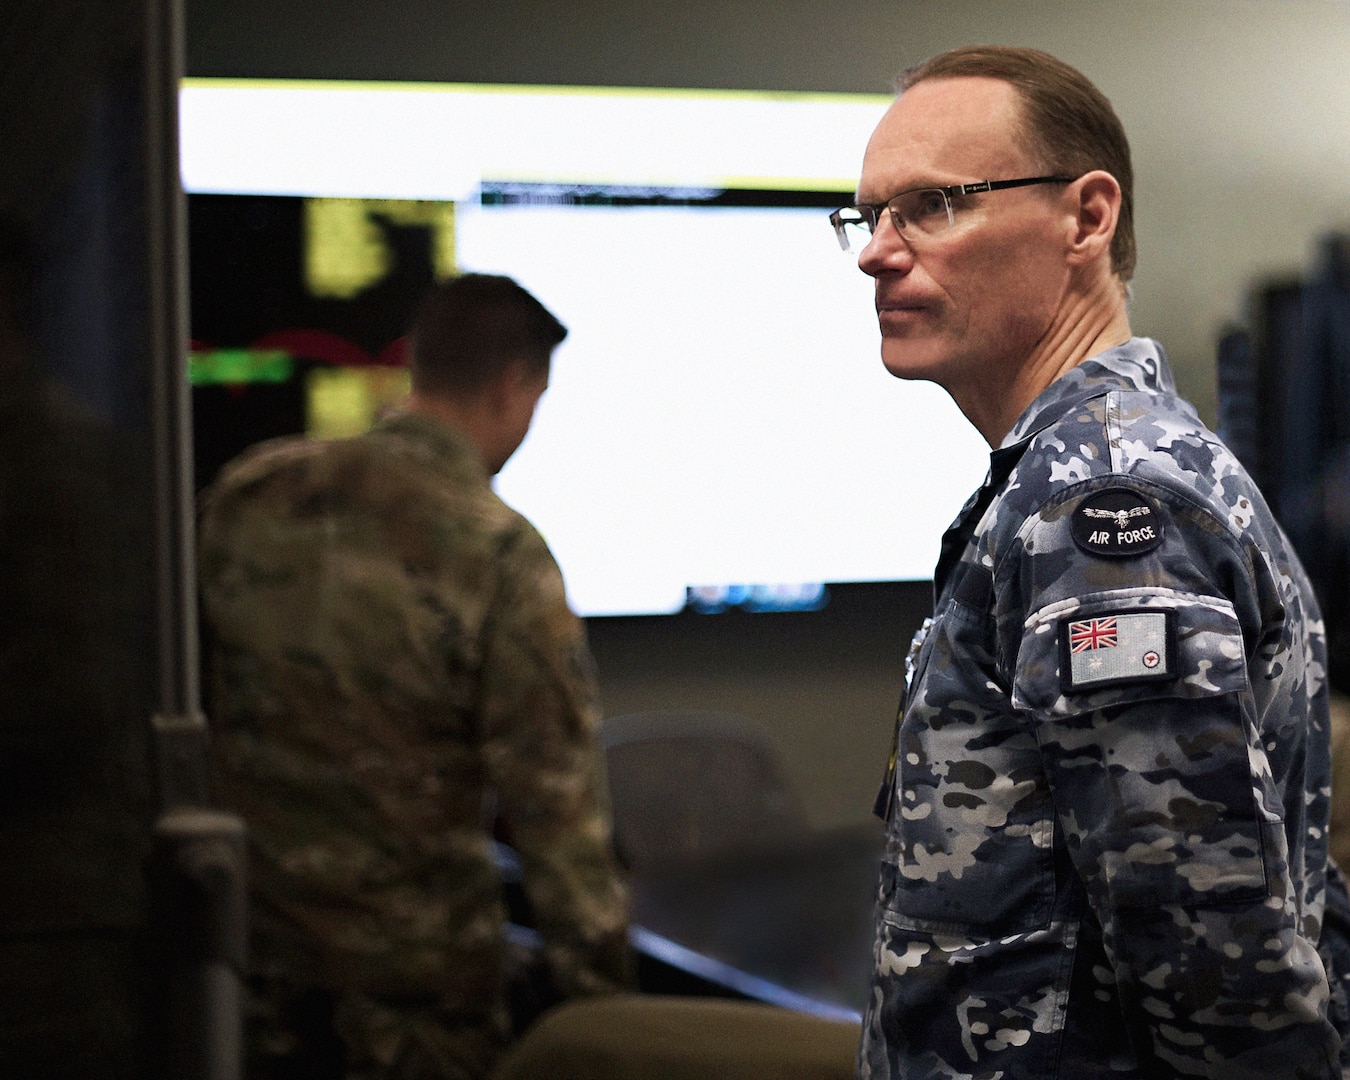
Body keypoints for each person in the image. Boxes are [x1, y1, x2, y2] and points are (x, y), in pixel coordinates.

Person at [832, 45, 1350, 1078]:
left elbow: (1208, 951)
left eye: (932, 206)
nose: (875, 253)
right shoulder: (1082, 468)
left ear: (1087, 217)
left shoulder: (1103, 501)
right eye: (868, 216)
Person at [197, 272, 633, 1080]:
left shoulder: (248, 493)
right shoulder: (498, 551)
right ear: (513, 387)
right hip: (416, 1004)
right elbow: (557, 816)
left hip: (255, 975)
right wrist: (603, 1013)